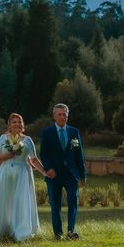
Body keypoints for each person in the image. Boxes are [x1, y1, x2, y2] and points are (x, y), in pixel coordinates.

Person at [0, 113, 46, 241]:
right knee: (4, 200)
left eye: (19, 122)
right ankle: (2, 228)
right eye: (14, 122)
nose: (17, 124)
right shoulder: (3, 138)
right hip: (6, 172)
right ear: (9, 125)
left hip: (23, 174)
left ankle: (21, 230)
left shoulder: (27, 140)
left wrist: (45, 173)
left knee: (21, 201)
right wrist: (9, 155)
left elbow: (34, 159)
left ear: (23, 125)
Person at [40, 103, 86, 240]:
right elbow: (44, 154)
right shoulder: (47, 133)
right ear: (54, 116)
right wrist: (48, 169)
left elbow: (79, 155)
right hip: (53, 175)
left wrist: (82, 175)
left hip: (71, 174)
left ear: (67, 115)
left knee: (73, 201)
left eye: (64, 114)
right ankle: (58, 233)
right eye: (59, 114)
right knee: (55, 204)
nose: (62, 117)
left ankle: (71, 231)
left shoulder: (74, 132)